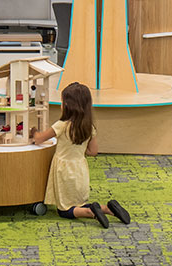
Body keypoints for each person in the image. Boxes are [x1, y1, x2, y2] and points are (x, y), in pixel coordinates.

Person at [31, 82, 131, 228]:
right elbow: (93, 152)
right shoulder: (89, 127)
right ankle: (107, 209)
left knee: (64, 210)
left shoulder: (62, 125)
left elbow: (39, 138)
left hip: (64, 169)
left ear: (68, 105)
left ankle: (92, 213)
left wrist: (33, 131)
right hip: (80, 168)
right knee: (78, 202)